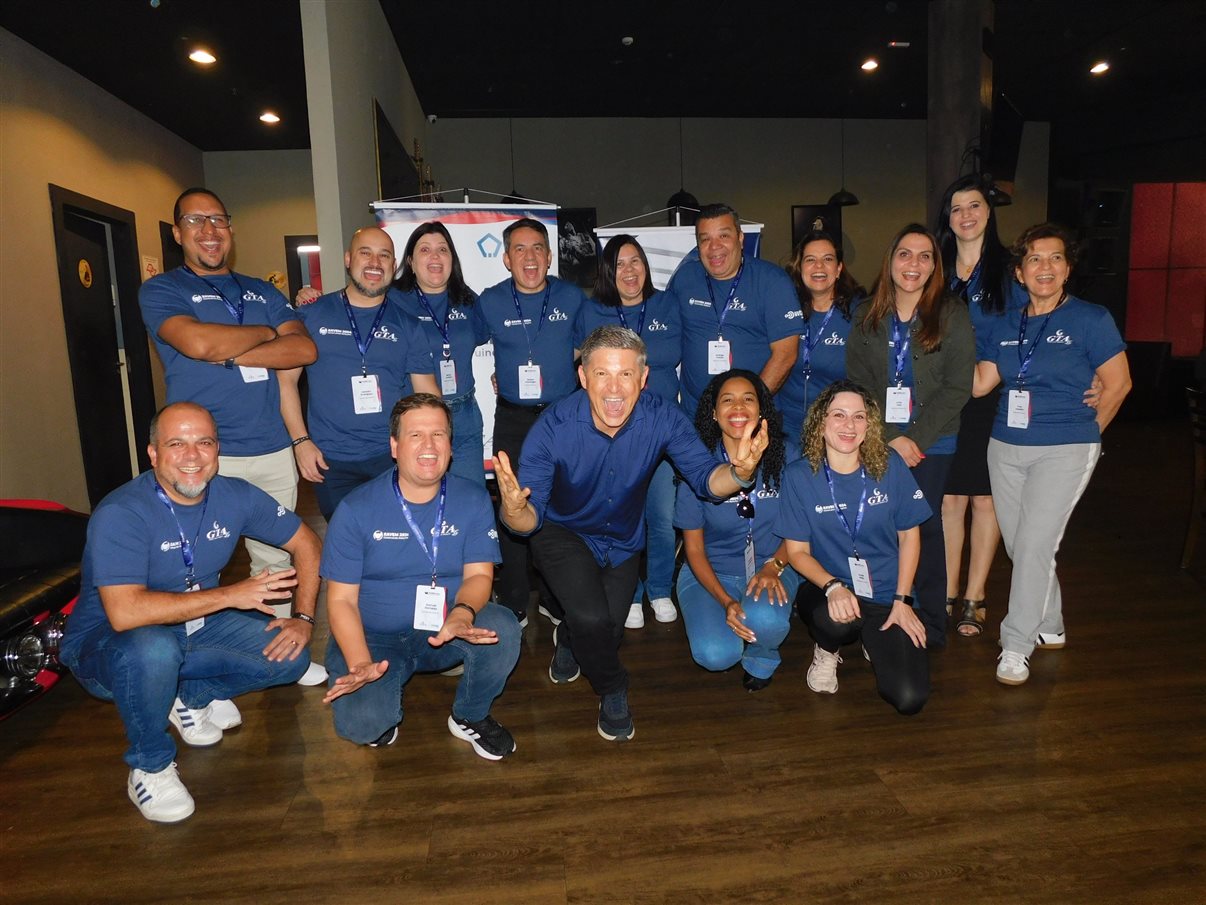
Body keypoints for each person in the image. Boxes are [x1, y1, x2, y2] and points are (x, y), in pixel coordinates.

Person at [492, 326, 768, 742]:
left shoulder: (663, 417)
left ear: (643, 379)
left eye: (625, 375)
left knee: (608, 631)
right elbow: (528, 520)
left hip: (622, 537)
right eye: (602, 374)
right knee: (591, 617)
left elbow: (705, 480)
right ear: (583, 377)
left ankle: (568, 637)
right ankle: (614, 687)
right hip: (562, 531)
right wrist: (512, 511)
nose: (614, 388)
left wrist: (739, 472)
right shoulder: (553, 426)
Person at [59, 402, 321, 823]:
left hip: (194, 626)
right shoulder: (121, 513)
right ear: (153, 454)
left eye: (204, 442)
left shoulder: (235, 495)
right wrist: (229, 595)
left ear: (218, 449)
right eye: (176, 444)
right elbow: (126, 613)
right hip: (108, 646)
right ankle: (150, 765)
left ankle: (187, 695)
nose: (192, 456)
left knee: (291, 655)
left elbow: (306, 543)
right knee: (155, 649)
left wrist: (304, 619)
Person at [973, 223, 1131, 685]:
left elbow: (1119, 384)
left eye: (1055, 258)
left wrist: (1086, 434)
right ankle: (1052, 624)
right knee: (1022, 545)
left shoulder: (1090, 318)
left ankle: (1016, 644)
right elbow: (982, 381)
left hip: (1065, 447)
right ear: (1019, 273)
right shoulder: (1006, 322)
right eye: (1035, 260)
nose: (1046, 267)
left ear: (1068, 267)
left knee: (1038, 544)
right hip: (1005, 445)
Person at [320, 394, 520, 757]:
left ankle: (469, 716)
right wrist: (360, 662)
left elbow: (478, 575)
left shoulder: (473, 499)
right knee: (362, 725)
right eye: (415, 436)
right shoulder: (355, 509)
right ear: (394, 446)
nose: (429, 445)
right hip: (374, 639)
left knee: (503, 628)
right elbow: (340, 600)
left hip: (444, 628)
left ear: (451, 445)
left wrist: (462, 613)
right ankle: (380, 697)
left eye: (439, 434)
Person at [139, 188, 317, 582]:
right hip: (199, 454)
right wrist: (269, 333)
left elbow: (303, 349)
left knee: (276, 565)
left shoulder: (263, 290)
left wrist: (230, 353)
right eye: (195, 220)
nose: (209, 230)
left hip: (271, 450)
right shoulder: (163, 290)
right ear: (176, 233)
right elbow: (198, 343)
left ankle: (278, 644)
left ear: (230, 229)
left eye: (218, 220)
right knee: (191, 563)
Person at [846, 224, 974, 648]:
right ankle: (884, 612)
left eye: (924, 256)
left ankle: (932, 623)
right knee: (879, 527)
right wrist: (890, 437)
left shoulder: (952, 313)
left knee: (925, 526)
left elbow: (957, 386)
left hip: (932, 443)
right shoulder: (866, 314)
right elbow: (858, 384)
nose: (913, 264)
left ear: (935, 266)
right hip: (879, 439)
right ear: (890, 260)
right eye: (905, 254)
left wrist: (913, 439)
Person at [775, 381, 933, 714]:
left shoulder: (890, 465)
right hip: (829, 589)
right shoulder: (799, 476)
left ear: (869, 426)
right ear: (820, 424)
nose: (849, 425)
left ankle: (874, 638)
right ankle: (827, 648)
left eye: (859, 417)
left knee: (908, 698)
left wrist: (903, 600)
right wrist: (832, 587)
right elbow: (797, 551)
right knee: (834, 620)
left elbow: (910, 536)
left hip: (888, 594)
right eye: (839, 415)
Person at [279, 227, 438, 520]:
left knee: (394, 541)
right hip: (330, 460)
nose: (375, 263)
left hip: (391, 457)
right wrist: (301, 442)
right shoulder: (312, 314)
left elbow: (427, 394)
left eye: (384, 256)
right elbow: (286, 382)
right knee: (346, 547)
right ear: (349, 259)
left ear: (394, 266)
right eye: (366, 253)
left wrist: (431, 444)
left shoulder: (408, 325)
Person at [473, 217, 587, 626]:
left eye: (537, 247)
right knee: (512, 503)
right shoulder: (490, 301)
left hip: (563, 417)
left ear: (550, 254)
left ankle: (555, 596)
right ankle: (516, 597)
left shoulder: (573, 297)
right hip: (513, 419)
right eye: (519, 249)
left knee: (559, 506)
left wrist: (555, 367)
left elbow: (588, 346)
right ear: (506, 258)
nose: (530, 257)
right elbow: (455, 336)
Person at [934, 176, 1027, 637]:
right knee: (950, 499)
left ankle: (975, 595)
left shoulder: (1010, 272)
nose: (966, 215)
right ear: (947, 219)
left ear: (989, 213)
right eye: (956, 208)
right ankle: (947, 591)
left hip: (992, 396)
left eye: (974, 206)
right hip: (945, 396)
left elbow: (1026, 328)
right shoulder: (936, 267)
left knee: (985, 501)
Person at [578, 234, 683, 629]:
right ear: (608, 271)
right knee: (625, 517)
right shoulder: (592, 313)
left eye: (635, 261)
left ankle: (658, 588)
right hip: (612, 435)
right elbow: (577, 365)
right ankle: (631, 594)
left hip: (660, 431)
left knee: (661, 515)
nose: (629, 270)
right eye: (619, 264)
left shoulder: (667, 305)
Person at [674, 369, 800, 691]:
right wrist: (726, 600)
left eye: (748, 399)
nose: (739, 408)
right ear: (714, 414)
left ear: (762, 410)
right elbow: (694, 550)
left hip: (772, 564)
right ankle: (733, 623)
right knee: (715, 655)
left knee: (766, 621)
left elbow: (800, 530)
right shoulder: (696, 465)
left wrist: (775, 566)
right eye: (727, 401)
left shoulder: (787, 457)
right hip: (711, 572)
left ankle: (762, 654)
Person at [668, 203, 800, 418]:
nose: (714, 247)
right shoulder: (684, 279)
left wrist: (750, 406)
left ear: (740, 238)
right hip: (694, 418)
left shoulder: (772, 282)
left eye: (723, 236)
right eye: (705, 239)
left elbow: (785, 354)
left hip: (750, 418)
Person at [393, 221, 491, 486]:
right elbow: (356, 305)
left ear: (452, 259)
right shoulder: (393, 300)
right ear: (411, 262)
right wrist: (311, 297)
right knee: (421, 495)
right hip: (417, 417)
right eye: (425, 250)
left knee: (470, 496)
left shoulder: (467, 300)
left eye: (443, 249)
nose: (435, 256)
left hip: (465, 416)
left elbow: (500, 335)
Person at [777, 229, 865, 444]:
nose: (819, 266)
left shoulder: (859, 314)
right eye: (810, 260)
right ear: (800, 268)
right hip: (787, 428)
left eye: (827, 259)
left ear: (839, 269)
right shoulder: (783, 310)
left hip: (837, 429)